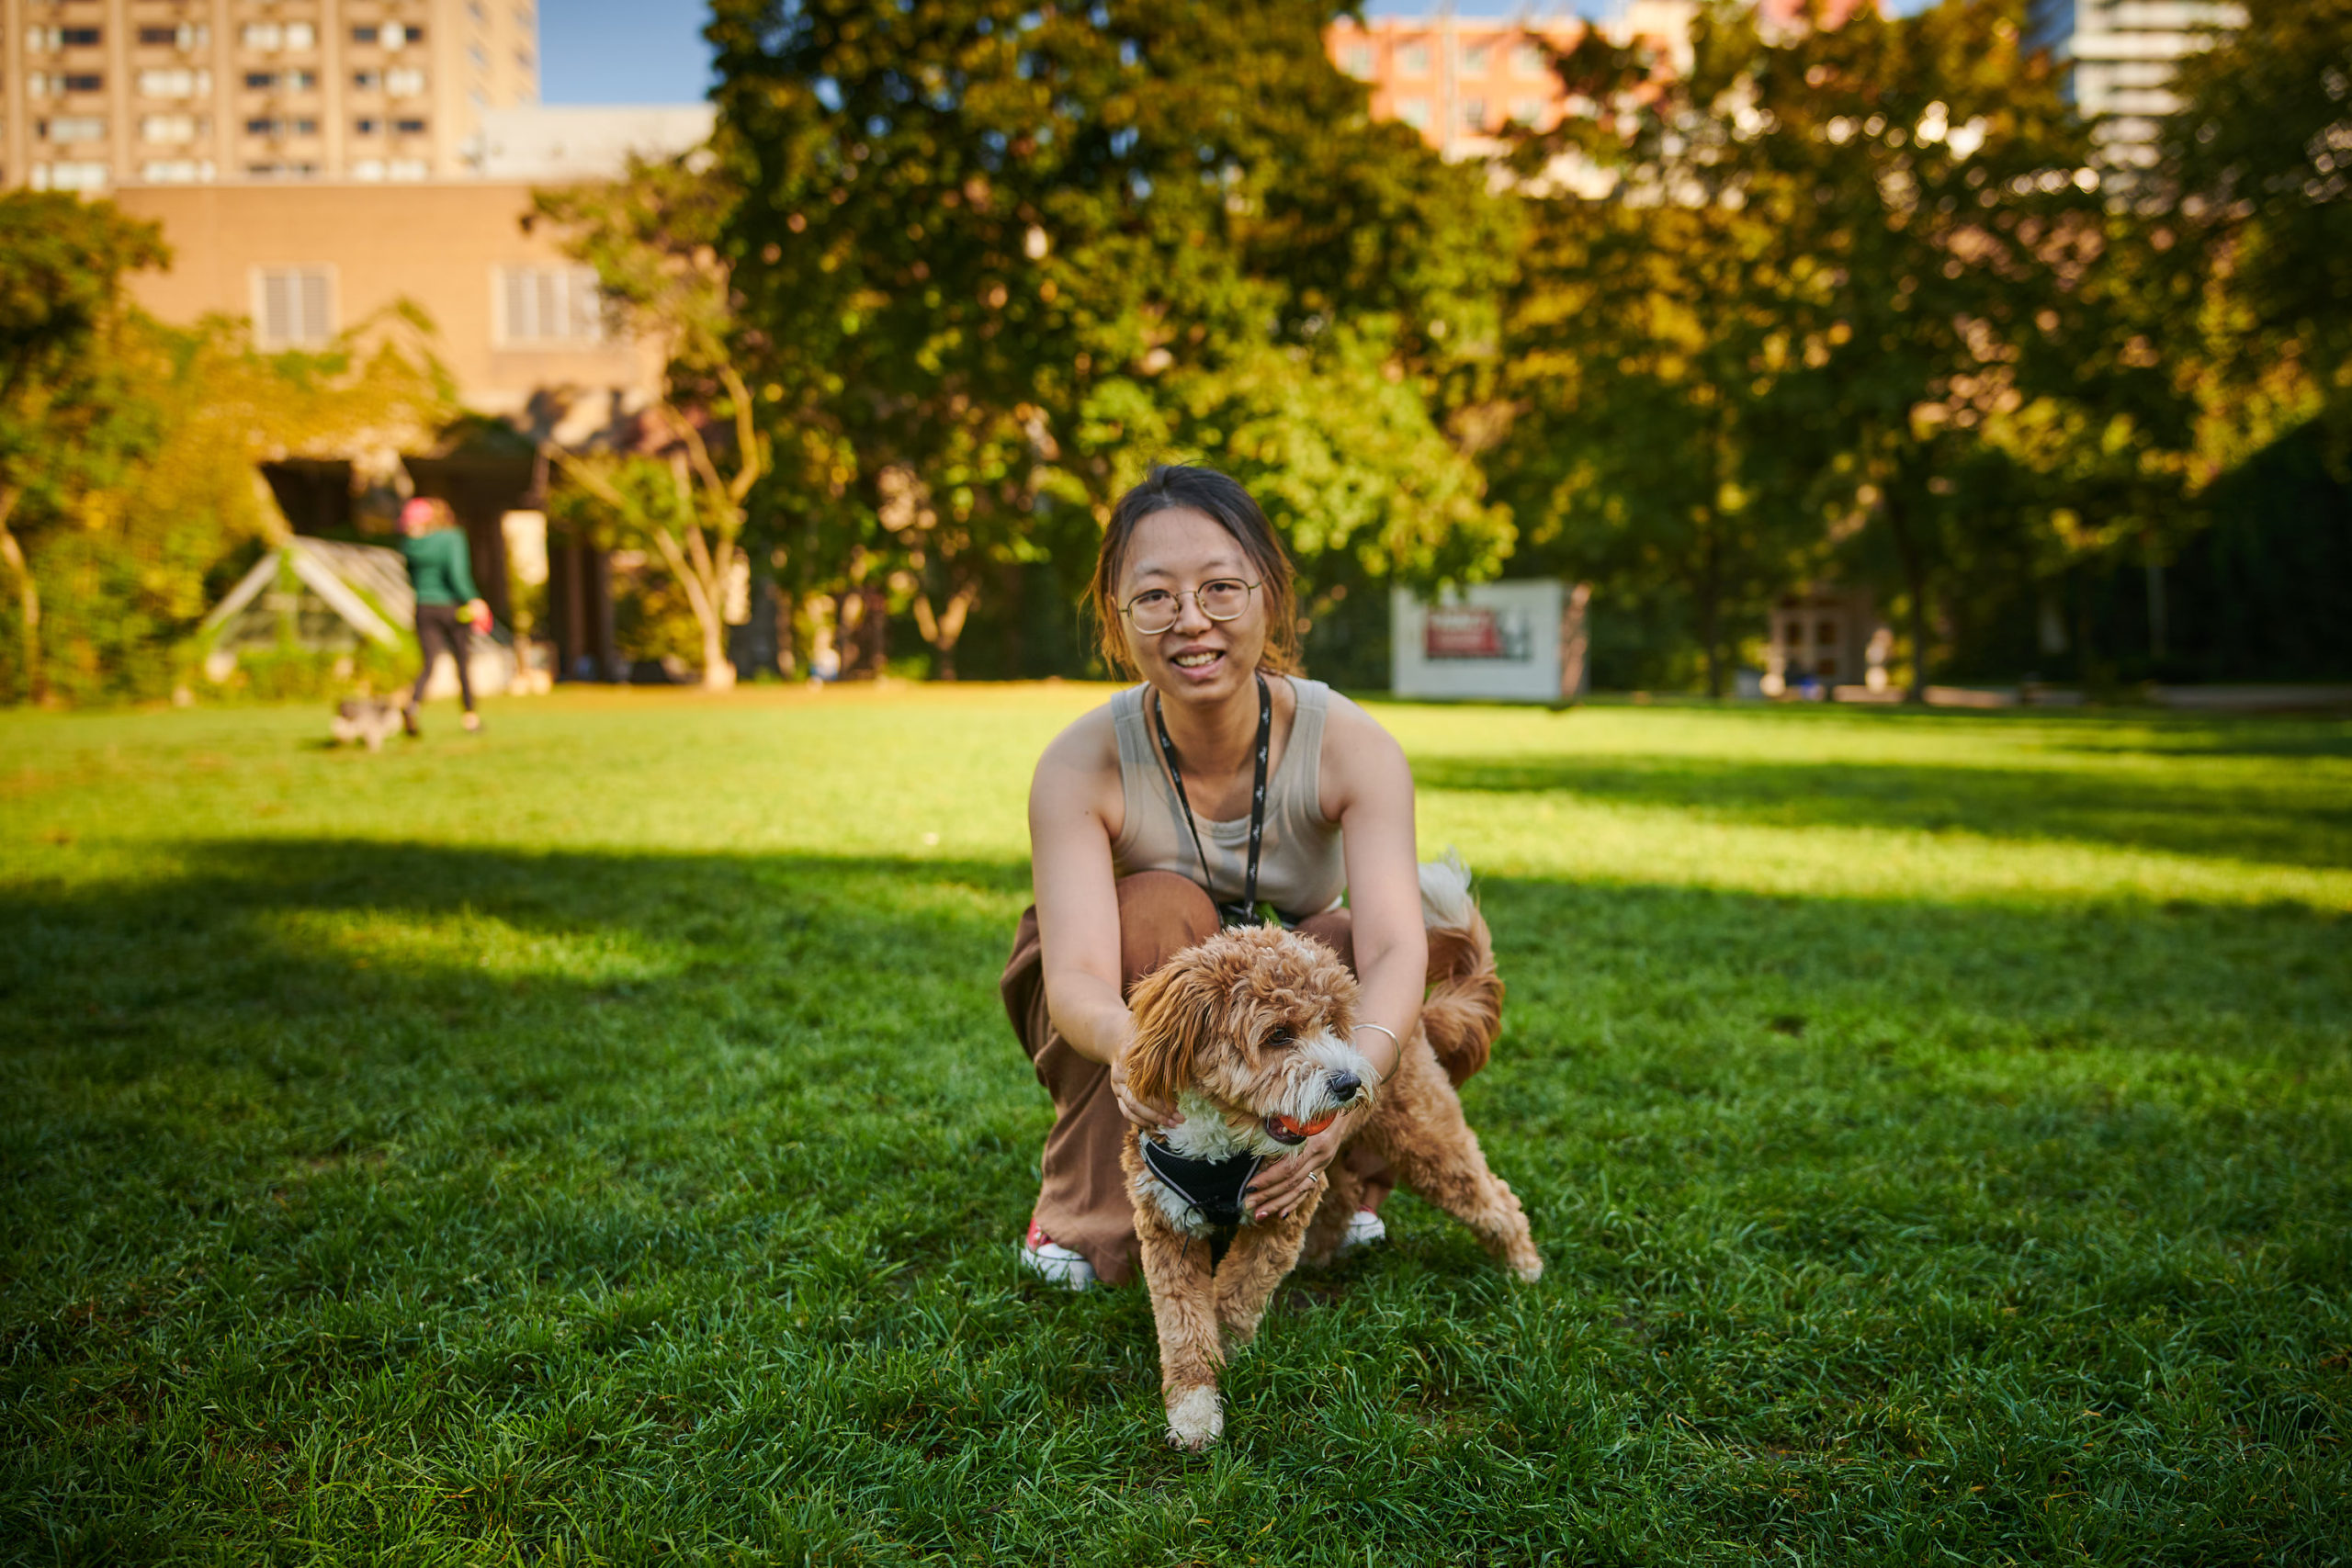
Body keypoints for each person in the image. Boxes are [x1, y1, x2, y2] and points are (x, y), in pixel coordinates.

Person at [1003, 464, 1460, 1290]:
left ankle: (1335, 1185)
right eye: (1155, 597)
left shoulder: (1352, 744)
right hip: (1128, 982)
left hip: (1270, 1007)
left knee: (1389, 951)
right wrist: (1129, 1046)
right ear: (1117, 613)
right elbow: (1074, 973)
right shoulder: (1078, 763)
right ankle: (1089, 1211)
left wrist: (1343, 1098)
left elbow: (1393, 948)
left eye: (1220, 588)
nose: (1190, 621)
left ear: (1268, 593)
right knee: (1155, 908)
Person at [393, 496, 489, 734]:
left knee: (429, 663)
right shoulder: (452, 538)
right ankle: (470, 718)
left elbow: (410, 578)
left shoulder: (410, 544)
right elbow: (458, 575)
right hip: (452, 607)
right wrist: (473, 599)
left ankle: (413, 705)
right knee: (462, 663)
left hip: (423, 606)